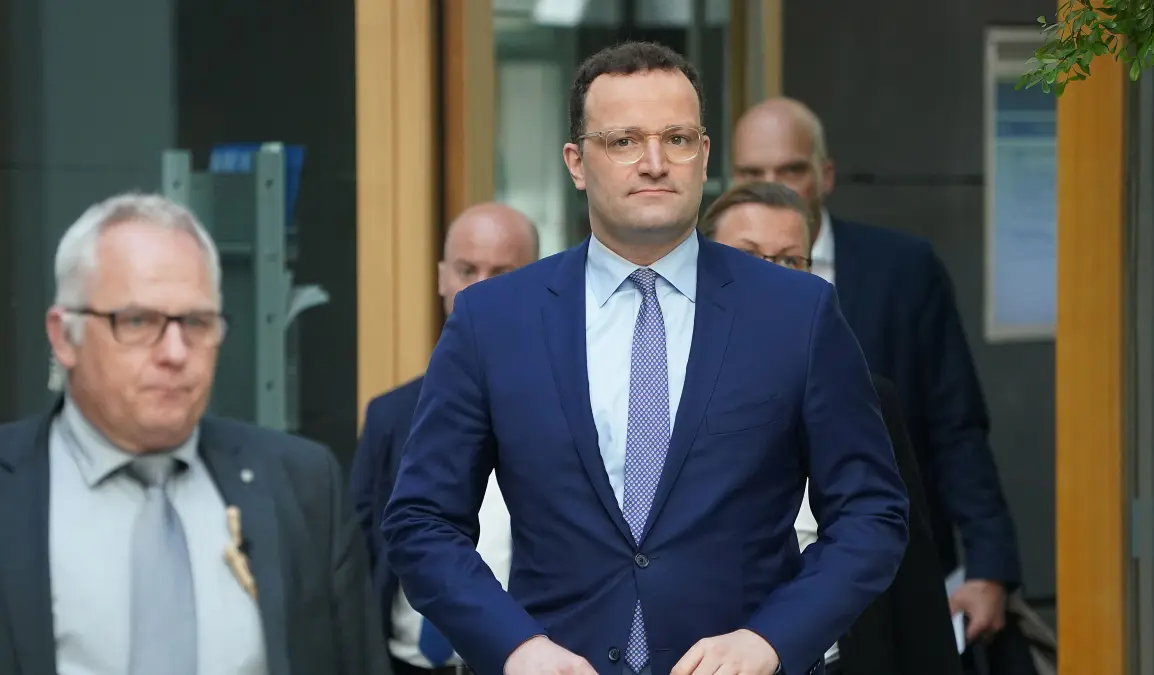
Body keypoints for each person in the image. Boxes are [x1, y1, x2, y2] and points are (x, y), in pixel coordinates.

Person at [383, 41, 909, 675]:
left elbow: (870, 514)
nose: (655, 163)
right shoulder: (492, 320)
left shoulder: (798, 313)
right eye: (624, 141)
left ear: (705, 156)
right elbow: (422, 521)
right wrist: (516, 649)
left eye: (677, 139)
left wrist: (770, 641)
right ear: (577, 162)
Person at [0, 193, 388, 675]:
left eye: (197, 323)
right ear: (64, 336)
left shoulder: (302, 487)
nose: (176, 353)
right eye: (138, 321)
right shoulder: (13, 489)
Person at [732, 97, 1020, 646]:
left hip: (890, 567)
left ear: (825, 174)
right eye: (752, 173)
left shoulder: (901, 270)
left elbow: (956, 423)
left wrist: (990, 565)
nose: (773, 186)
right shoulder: (704, 282)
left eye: (790, 169)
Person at [700, 181, 962, 675]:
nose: (772, 277)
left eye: (791, 260)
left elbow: (914, 588)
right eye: (747, 257)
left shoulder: (865, 397)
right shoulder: (656, 395)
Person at [350, 202, 539, 675]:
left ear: (535, 282)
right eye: (466, 270)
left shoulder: (564, 409)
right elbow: (358, 558)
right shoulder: (389, 415)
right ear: (441, 278)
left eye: (500, 273)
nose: (477, 289)